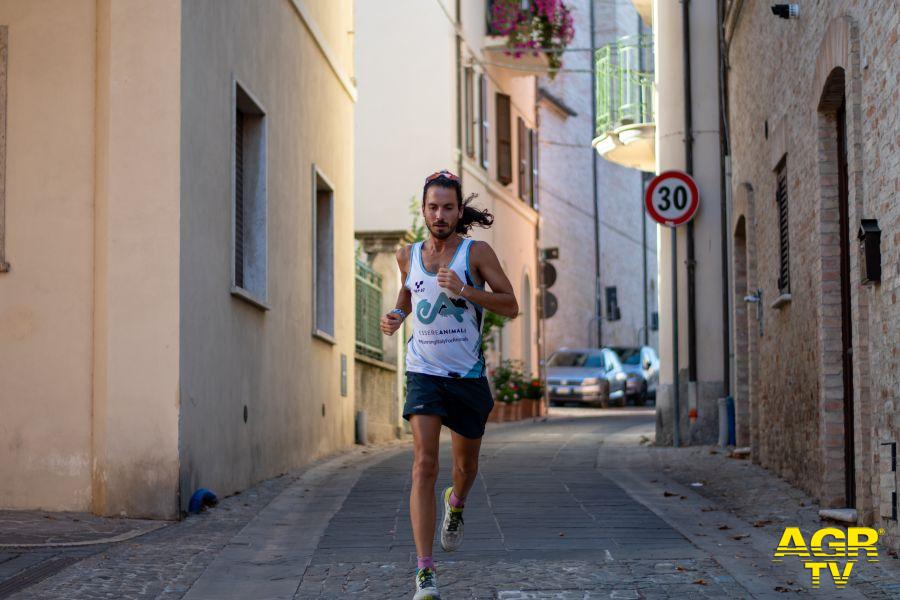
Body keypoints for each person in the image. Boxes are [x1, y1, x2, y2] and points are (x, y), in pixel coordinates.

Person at [381, 170, 519, 600]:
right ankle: (425, 572)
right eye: (432, 206)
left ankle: (455, 504)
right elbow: (409, 294)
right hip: (424, 371)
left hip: (467, 377)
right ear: (423, 210)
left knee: (465, 470)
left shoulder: (475, 253)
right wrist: (397, 316)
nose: (439, 214)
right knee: (424, 464)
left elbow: (511, 304)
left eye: (447, 207)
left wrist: (466, 291)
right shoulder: (408, 255)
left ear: (460, 211)